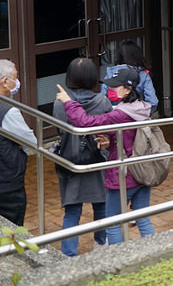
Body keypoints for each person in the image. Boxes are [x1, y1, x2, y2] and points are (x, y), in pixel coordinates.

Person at [55, 68, 154, 244]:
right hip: (143, 170)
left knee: (112, 222)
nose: (111, 90)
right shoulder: (140, 107)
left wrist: (69, 102)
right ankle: (154, 252)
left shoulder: (120, 114)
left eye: (116, 87)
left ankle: (118, 260)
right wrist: (112, 142)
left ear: (127, 89)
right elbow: (132, 137)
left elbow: (86, 123)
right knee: (142, 216)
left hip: (124, 175)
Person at [53, 57, 112, 256]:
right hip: (98, 160)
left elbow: (60, 131)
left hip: (71, 161)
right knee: (101, 207)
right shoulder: (102, 101)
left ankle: (68, 254)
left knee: (72, 211)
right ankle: (100, 243)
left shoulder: (60, 103)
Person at [0, 59, 37, 226]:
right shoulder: (8, 112)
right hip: (5, 183)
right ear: (5, 81)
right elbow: (32, 142)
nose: (17, 81)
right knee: (11, 230)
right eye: (15, 77)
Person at [103, 40, 159, 115]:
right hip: (137, 119)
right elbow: (153, 101)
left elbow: (103, 102)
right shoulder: (143, 74)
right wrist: (142, 115)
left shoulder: (110, 74)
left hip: (114, 119)